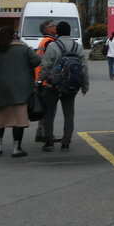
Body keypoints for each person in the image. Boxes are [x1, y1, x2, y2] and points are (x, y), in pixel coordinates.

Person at [0, 27, 41, 157]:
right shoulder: (24, 49)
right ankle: (16, 148)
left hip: (0, 90)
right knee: (19, 120)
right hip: (21, 90)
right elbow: (37, 60)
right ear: (14, 36)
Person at [39, 20, 90, 151]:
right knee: (69, 114)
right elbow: (84, 67)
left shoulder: (52, 46)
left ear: (58, 32)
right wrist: (85, 85)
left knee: (49, 114)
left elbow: (45, 66)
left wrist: (40, 81)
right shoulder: (77, 46)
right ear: (69, 32)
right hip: (70, 86)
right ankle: (66, 142)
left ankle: (49, 141)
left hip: (53, 85)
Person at [33, 20, 58, 143]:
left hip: (40, 79)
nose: (55, 27)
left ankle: (40, 132)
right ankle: (46, 134)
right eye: (52, 26)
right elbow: (49, 63)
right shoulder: (50, 42)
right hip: (46, 81)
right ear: (46, 29)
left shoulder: (44, 41)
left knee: (44, 109)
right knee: (49, 111)